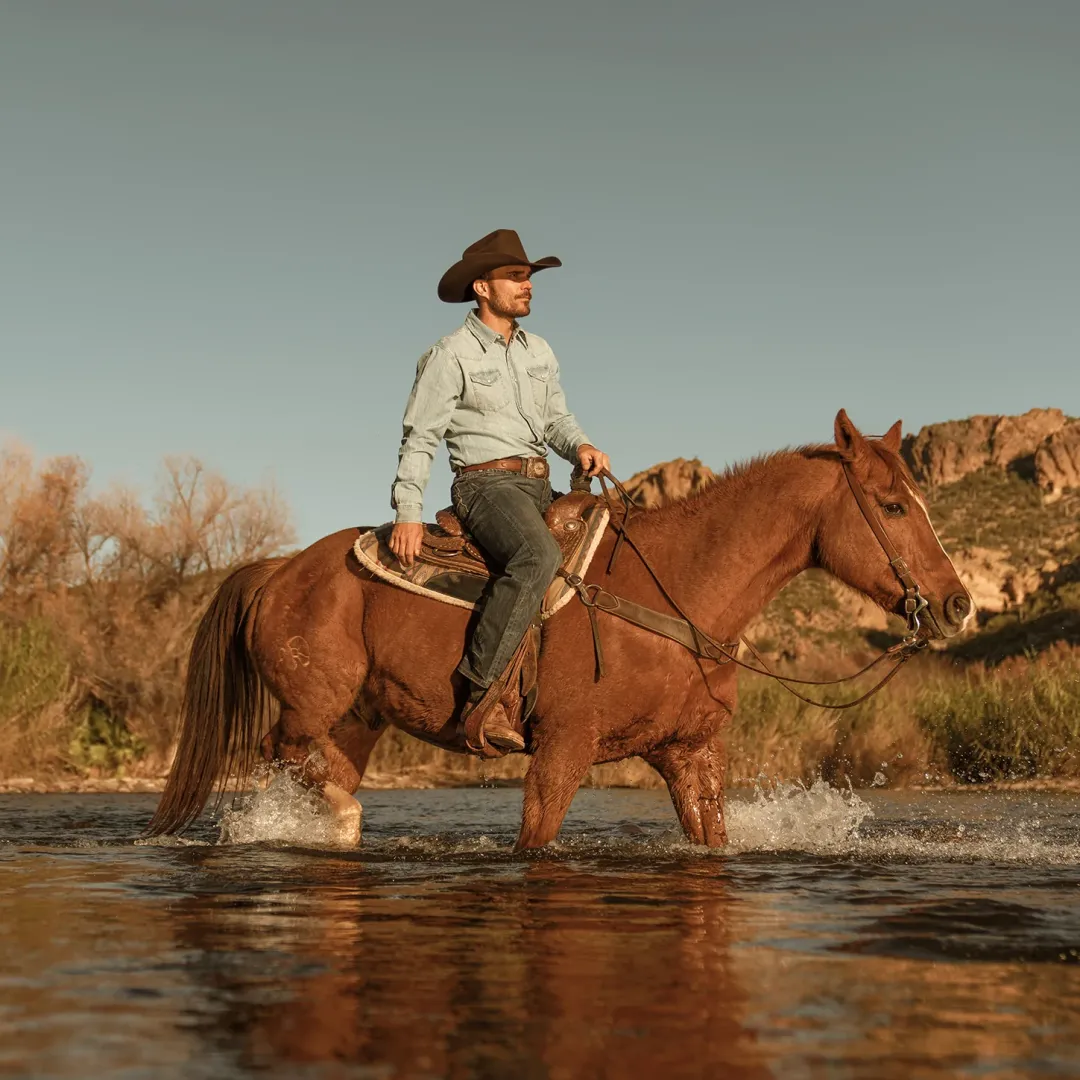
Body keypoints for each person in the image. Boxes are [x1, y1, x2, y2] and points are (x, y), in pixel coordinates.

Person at [388, 229, 610, 751]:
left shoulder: (540, 351)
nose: (526, 284)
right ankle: (481, 696)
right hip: (484, 485)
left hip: (540, 483)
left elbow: (557, 418)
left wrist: (580, 445)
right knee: (536, 557)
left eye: (529, 276)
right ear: (482, 288)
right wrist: (407, 510)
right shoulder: (451, 354)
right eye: (515, 276)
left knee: (613, 543)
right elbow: (420, 436)